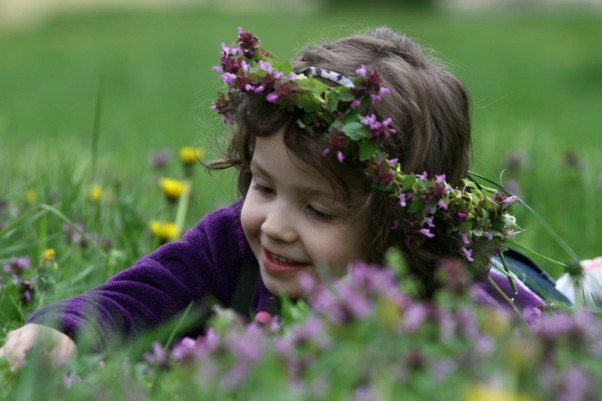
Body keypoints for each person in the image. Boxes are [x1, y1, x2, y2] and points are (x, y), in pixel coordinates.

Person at [0, 27, 569, 368]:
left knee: (569, 299)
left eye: (318, 209)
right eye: (264, 186)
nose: (275, 225)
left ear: (398, 227)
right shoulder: (234, 245)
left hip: (518, 288)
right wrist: (62, 330)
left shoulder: (445, 292)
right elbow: (143, 294)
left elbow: (535, 361)